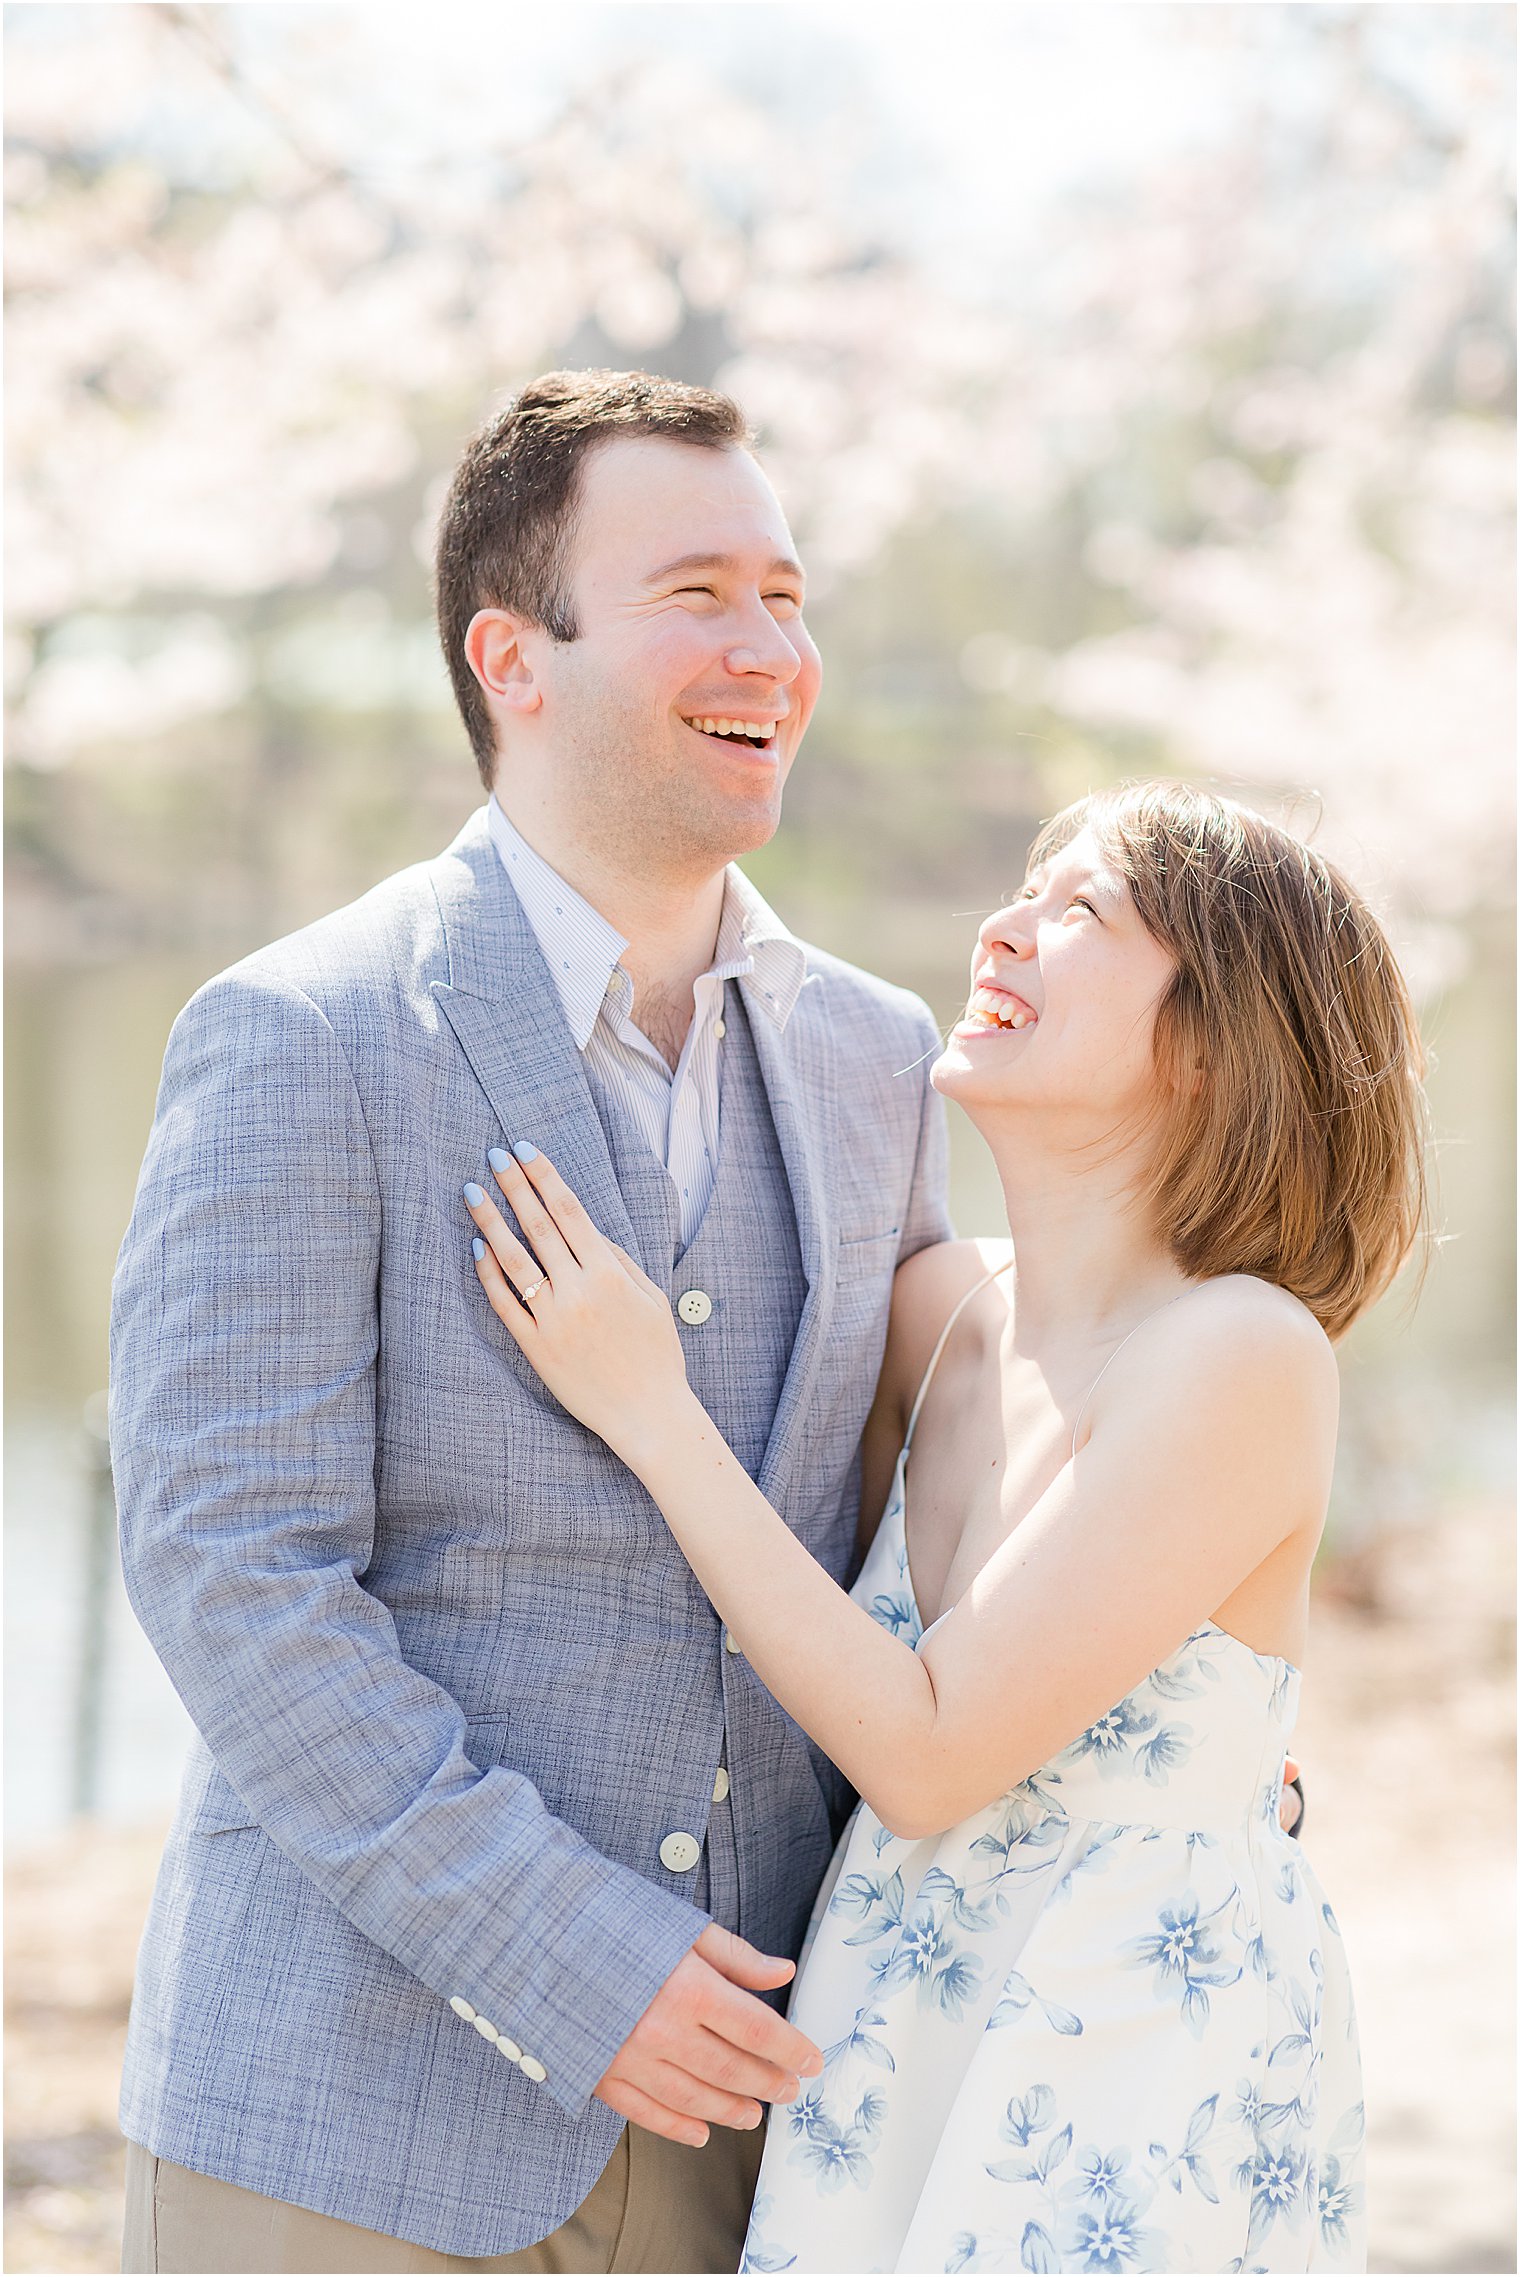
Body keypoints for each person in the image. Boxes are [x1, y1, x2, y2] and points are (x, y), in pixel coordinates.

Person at [109, 369, 954, 2273]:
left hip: (757, 2143)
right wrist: (571, 1961)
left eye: (791, 593)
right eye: (701, 594)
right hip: (339, 2136)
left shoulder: (881, 1062)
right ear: (515, 653)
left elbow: (943, 1515)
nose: (774, 648)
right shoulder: (298, 1037)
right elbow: (235, 1580)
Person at [459, 780, 1426, 2274]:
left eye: (1082, 910)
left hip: (1124, 2051)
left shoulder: (1243, 1352)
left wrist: (646, 1406)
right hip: (897, 2032)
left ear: (1214, 1041)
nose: (1007, 925)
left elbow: (922, 1751)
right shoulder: (946, 1314)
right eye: (1028, 888)